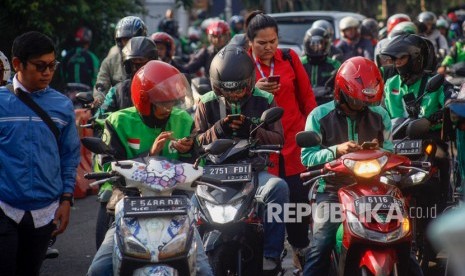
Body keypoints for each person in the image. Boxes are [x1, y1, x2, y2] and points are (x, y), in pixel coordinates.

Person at [87, 60, 213, 276]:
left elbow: (198, 163)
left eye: (173, 102)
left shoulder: (183, 119)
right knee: (98, 270)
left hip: (177, 206)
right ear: (144, 101)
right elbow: (106, 163)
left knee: (203, 270)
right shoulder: (118, 122)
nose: (170, 108)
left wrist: (188, 149)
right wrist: (149, 155)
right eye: (164, 103)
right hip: (132, 204)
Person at [194, 44, 289, 274]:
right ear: (216, 87)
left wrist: (253, 128)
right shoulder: (205, 102)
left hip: (253, 171)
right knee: (188, 204)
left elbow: (279, 139)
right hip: (213, 175)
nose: (233, 95)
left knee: (279, 188)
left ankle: (271, 254)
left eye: (238, 90)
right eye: (226, 91)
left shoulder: (265, 99)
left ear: (249, 82)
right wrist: (219, 128)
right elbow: (196, 142)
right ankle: (193, 254)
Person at [301, 57, 394, 275]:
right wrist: (337, 150)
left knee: (401, 240)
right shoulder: (319, 116)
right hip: (332, 189)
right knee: (320, 246)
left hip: (375, 189)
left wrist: (377, 150)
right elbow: (306, 157)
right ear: (342, 92)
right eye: (357, 100)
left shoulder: (380, 115)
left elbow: (390, 150)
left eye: (368, 101)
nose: (363, 105)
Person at [0, 31, 80, 275]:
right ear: (17, 64)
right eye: (40, 66)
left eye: (52, 66)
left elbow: (69, 156)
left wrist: (66, 200)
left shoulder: (63, 106)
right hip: (4, 208)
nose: (47, 72)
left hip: (46, 212)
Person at [245, 10, 317, 272]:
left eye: (273, 41)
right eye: (262, 43)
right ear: (250, 42)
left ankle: (300, 252)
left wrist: (314, 133)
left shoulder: (289, 57)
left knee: (298, 205)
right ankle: (268, 258)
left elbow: (307, 97)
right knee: (265, 209)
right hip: (262, 148)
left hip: (295, 143)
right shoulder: (243, 64)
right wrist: (255, 89)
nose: (268, 47)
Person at [93, 16, 147, 104]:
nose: (129, 43)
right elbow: (101, 86)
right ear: (119, 41)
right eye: (125, 39)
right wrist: (97, 100)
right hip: (119, 111)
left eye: (132, 39)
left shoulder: (153, 60)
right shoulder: (110, 62)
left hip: (147, 109)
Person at [301, 26, 341, 105]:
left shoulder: (335, 64)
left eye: (320, 43)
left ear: (326, 44)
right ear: (307, 44)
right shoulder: (299, 63)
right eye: (313, 44)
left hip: (327, 105)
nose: (316, 47)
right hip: (303, 104)